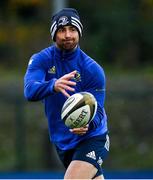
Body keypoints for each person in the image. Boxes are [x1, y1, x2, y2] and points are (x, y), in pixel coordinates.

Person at [24, 8, 110, 179]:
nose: (68, 35)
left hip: (92, 138)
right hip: (63, 142)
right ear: (54, 34)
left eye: (72, 29)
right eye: (62, 30)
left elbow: (98, 111)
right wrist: (53, 85)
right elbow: (29, 91)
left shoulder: (92, 69)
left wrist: (88, 125)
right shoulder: (41, 60)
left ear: (79, 32)